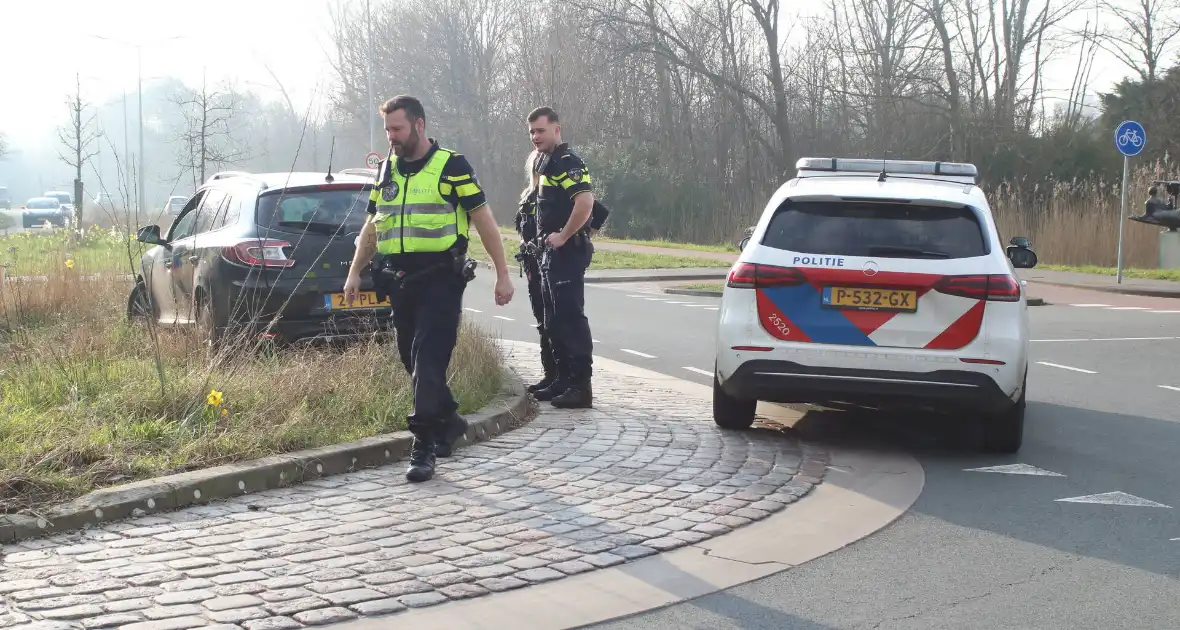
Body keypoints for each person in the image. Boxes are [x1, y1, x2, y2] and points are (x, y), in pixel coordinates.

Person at [344, 95, 514, 483]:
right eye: (388, 130)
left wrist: (503, 273)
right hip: (399, 281)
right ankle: (450, 419)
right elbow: (373, 225)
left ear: (419, 124)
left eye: (397, 129)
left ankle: (422, 446)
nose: (391, 138)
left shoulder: (450, 166)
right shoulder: (387, 168)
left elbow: (483, 219)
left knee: (428, 360)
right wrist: (355, 271)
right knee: (410, 357)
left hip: (440, 278)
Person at [514, 150, 611, 395]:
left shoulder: (559, 189)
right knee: (545, 321)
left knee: (565, 317)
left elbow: (595, 210)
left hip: (557, 259)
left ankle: (569, 378)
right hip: (535, 263)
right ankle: (554, 374)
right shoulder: (529, 195)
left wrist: (578, 237)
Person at [525, 106, 596, 408]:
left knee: (570, 319)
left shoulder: (568, 162)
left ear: (556, 129)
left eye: (540, 130)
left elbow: (585, 201)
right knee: (553, 320)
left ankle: (581, 387)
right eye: (531, 132)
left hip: (567, 253)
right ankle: (562, 381)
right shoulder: (546, 163)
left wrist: (564, 234)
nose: (535, 137)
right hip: (549, 255)